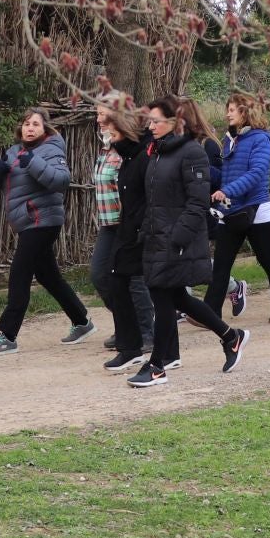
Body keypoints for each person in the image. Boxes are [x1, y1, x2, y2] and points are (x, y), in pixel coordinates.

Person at [128, 98, 248, 387]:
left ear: (176, 122)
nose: (151, 126)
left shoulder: (192, 153)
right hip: (157, 237)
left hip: (178, 239)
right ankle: (232, 337)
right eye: (150, 121)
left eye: (157, 121)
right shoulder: (157, 153)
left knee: (163, 297)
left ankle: (157, 365)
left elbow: (197, 202)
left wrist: (179, 237)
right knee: (177, 298)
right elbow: (155, 201)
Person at [0, 108, 95, 356]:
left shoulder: (51, 150)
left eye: (35, 124)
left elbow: (61, 180)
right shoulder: (13, 152)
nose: (30, 128)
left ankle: (8, 335)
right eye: (26, 123)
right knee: (48, 276)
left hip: (43, 221)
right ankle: (82, 321)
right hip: (28, 222)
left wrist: (33, 163)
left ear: (45, 129)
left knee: (20, 273)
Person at [208, 93, 270, 322]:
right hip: (232, 211)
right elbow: (227, 176)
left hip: (257, 210)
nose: (228, 113)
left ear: (246, 112)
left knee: (267, 259)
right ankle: (209, 313)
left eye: (233, 109)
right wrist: (201, 170)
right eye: (227, 108)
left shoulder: (261, 139)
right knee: (221, 263)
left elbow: (256, 173)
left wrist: (227, 191)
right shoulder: (231, 139)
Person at [90, 103, 155, 373]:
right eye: (97, 115)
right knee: (100, 275)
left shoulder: (130, 152)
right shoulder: (107, 148)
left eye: (104, 115)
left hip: (127, 224)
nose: (100, 120)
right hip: (109, 223)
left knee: (133, 281)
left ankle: (145, 333)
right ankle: (125, 325)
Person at [176, 96, 247, 317]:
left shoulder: (207, 145)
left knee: (191, 257)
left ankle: (234, 287)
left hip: (202, 209)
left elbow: (220, 179)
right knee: (183, 255)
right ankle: (183, 303)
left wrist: (199, 166)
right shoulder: (175, 144)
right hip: (181, 208)